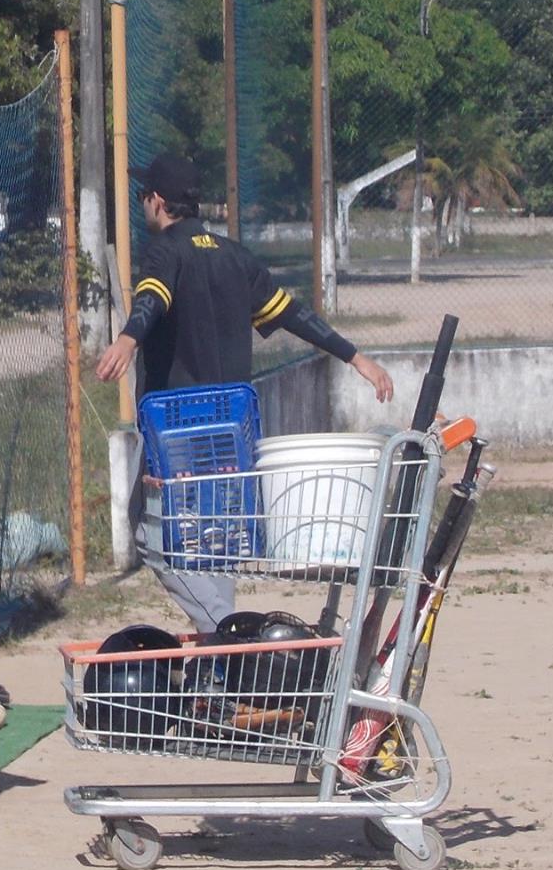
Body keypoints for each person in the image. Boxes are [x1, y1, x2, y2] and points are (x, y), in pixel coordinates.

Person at [95, 151, 396, 633]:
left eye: (141, 197)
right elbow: (293, 313)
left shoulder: (165, 250)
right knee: (217, 541)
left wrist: (129, 337)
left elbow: (154, 296)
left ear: (156, 201)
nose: (142, 206)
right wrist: (353, 355)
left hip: (178, 433)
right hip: (231, 431)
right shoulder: (235, 256)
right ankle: (227, 659)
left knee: (154, 538)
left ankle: (232, 635)